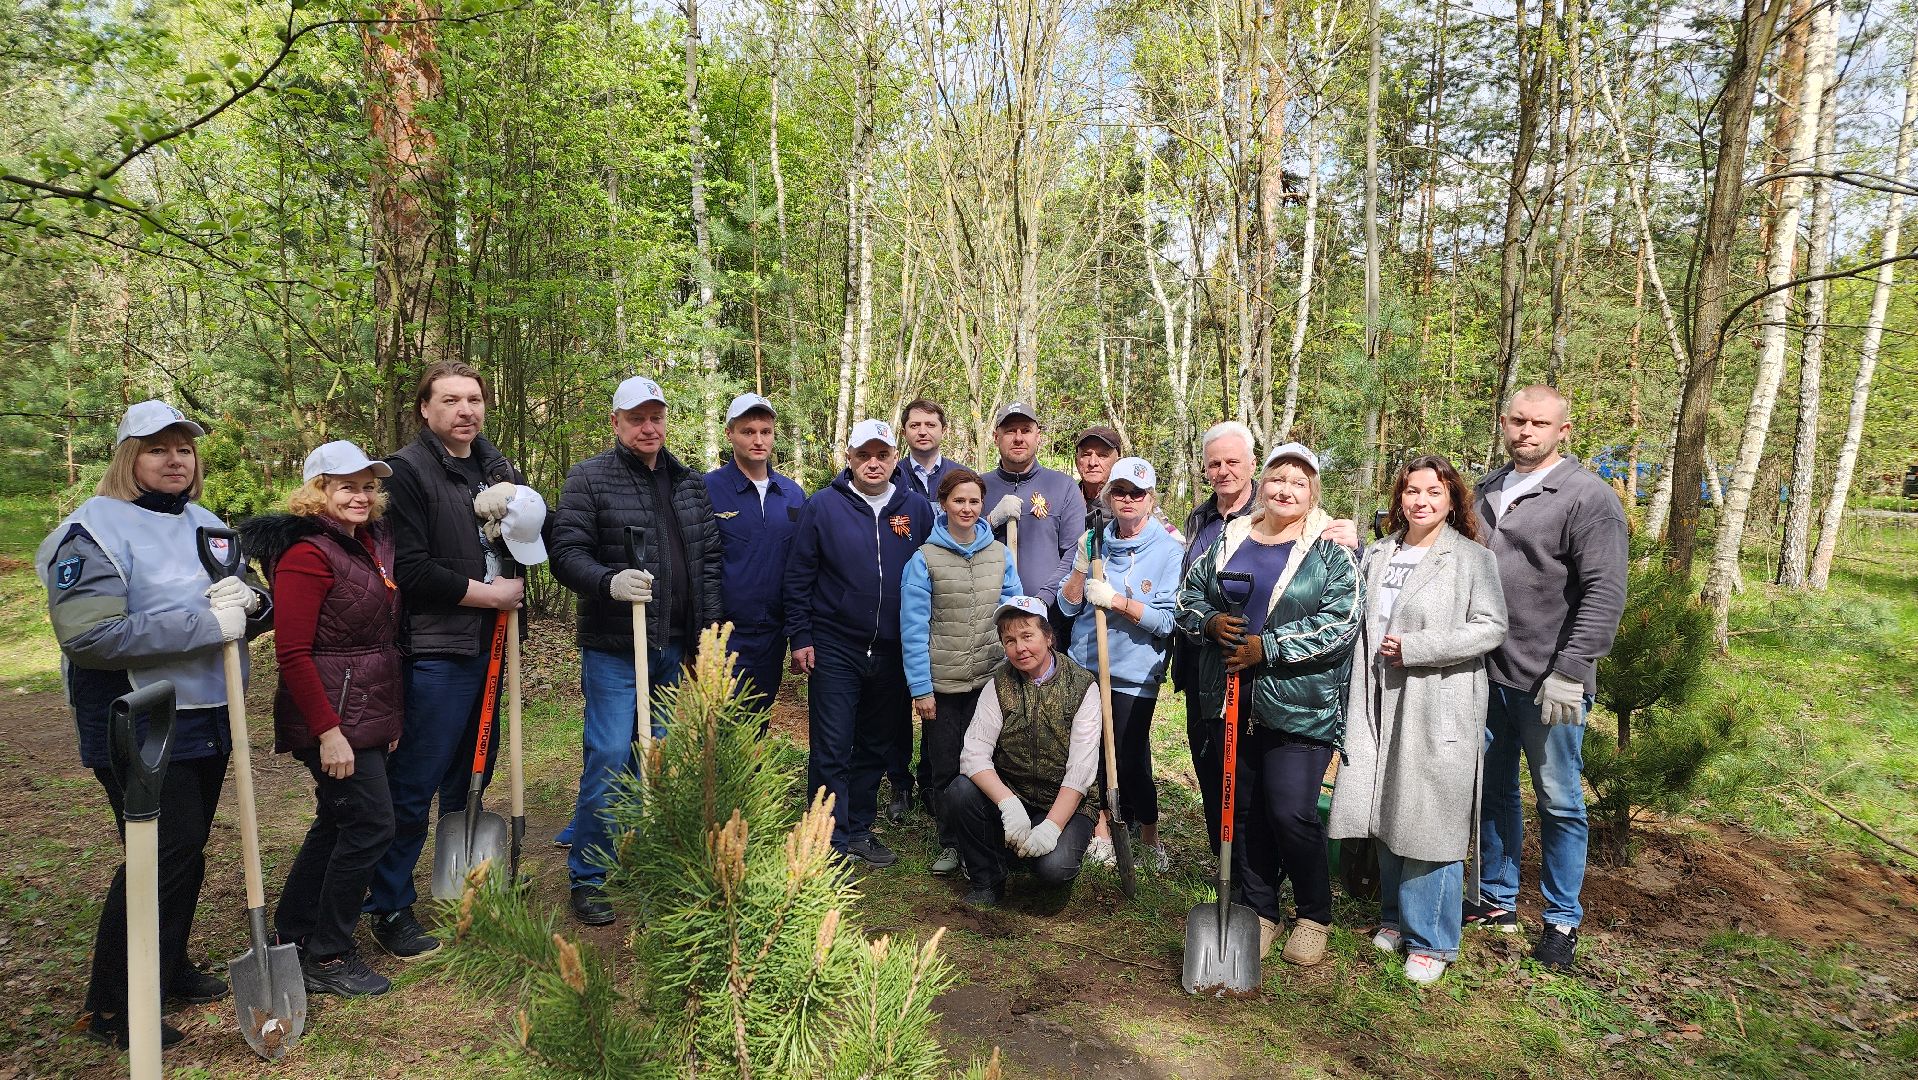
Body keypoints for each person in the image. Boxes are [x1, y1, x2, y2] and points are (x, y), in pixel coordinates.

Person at [36, 400, 272, 1048]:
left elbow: (245, 595)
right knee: (158, 853)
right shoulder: (90, 532)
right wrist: (206, 623)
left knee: (184, 853)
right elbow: (89, 635)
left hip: (209, 712)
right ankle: (113, 1005)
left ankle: (165, 968)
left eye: (184, 448)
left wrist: (255, 604)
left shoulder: (206, 523)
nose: (174, 458)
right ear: (127, 458)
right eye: (156, 447)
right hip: (135, 714)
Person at [366, 360, 538, 959]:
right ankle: (388, 905)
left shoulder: (495, 467)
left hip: (490, 644)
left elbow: (519, 543)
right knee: (416, 779)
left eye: (474, 399)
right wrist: (487, 594)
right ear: (425, 409)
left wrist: (512, 574)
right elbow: (409, 569)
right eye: (451, 400)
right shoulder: (407, 473)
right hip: (438, 647)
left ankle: (463, 876)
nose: (465, 410)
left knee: (473, 772)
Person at [1176, 442, 1359, 967]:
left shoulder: (1328, 551)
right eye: (1278, 478)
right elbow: (1189, 598)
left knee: (1292, 810)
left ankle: (1314, 913)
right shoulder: (1231, 538)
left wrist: (1269, 646)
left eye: (1299, 483)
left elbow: (1341, 623)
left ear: (1313, 492)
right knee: (1245, 808)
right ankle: (1261, 908)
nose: (1286, 489)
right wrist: (1209, 622)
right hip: (1231, 696)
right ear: (1263, 484)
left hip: (1300, 703)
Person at [1328, 455, 1507, 985]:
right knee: (1384, 802)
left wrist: (1419, 647)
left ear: (1452, 499)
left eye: (1433, 491)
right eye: (1411, 491)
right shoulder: (1379, 553)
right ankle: (1395, 916)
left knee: (1431, 814)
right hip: (1376, 694)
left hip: (1437, 697)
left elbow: (1491, 627)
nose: (1421, 501)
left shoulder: (1472, 559)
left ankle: (1431, 938)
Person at [550, 375, 723, 925]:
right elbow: (565, 553)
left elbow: (708, 567)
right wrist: (607, 582)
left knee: (663, 760)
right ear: (617, 423)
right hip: (616, 647)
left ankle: (653, 861)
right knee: (607, 755)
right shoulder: (589, 479)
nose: (649, 427)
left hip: (675, 648)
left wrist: (708, 639)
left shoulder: (690, 484)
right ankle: (590, 874)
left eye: (656, 417)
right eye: (637, 418)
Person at [1470, 385, 1628, 970]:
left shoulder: (1588, 498)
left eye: (1540, 423)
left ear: (1563, 430)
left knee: (1559, 800)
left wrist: (1572, 670)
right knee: (1493, 791)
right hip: (1484, 675)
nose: (1527, 432)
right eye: (1518, 421)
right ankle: (1497, 898)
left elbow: (1605, 592)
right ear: (1504, 423)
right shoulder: (1486, 490)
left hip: (1549, 682)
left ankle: (1561, 920)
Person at [240, 441, 403, 997]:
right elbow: (293, 653)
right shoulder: (308, 554)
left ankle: (297, 930)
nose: (360, 495)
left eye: (366, 485)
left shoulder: (367, 544)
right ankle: (329, 955)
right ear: (317, 493)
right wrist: (328, 732)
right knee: (371, 824)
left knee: (338, 821)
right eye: (345, 486)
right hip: (331, 717)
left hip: (366, 708)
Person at [785, 419, 933, 867]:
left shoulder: (917, 508)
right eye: (863, 455)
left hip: (892, 649)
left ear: (894, 458)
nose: (873, 463)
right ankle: (828, 836)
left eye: (882, 455)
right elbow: (799, 574)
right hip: (834, 644)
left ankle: (860, 830)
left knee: (874, 744)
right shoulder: (824, 506)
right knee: (832, 745)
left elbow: (936, 567)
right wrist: (801, 635)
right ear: (848, 458)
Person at [1057, 457, 1184, 871]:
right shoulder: (1093, 539)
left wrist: (1117, 601)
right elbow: (1067, 604)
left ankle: (1149, 835)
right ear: (1108, 496)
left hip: (1133, 672)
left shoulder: (1169, 549)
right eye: (1120, 492)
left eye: (1137, 493)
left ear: (1150, 498)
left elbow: (1166, 621)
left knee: (1129, 756)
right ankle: (1102, 829)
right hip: (1086, 664)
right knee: (1090, 751)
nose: (1127, 499)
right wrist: (1080, 570)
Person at [899, 468, 1021, 875]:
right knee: (947, 765)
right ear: (944, 504)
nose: (967, 508)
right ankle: (951, 842)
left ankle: (986, 840)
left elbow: (1014, 613)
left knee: (988, 761)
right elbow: (913, 629)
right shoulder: (924, 560)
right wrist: (921, 688)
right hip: (944, 683)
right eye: (959, 501)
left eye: (974, 501)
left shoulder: (999, 555)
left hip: (990, 680)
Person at [944, 596, 1103, 907]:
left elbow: (1081, 770)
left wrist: (1053, 826)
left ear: (1048, 636)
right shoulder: (999, 684)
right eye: (1010, 640)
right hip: (1013, 794)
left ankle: (1024, 852)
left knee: (1054, 868)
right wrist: (1008, 803)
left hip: (1062, 801)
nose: (1019, 648)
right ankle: (987, 879)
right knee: (960, 791)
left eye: (1027, 636)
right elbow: (973, 754)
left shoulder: (1082, 686)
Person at [1172, 421, 1258, 853]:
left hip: (1249, 670)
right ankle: (1223, 861)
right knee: (1209, 767)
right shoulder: (1200, 518)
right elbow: (1186, 591)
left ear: (1251, 464)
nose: (1223, 471)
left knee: (1245, 776)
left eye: (1232, 461)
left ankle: (1255, 875)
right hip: (1198, 665)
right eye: (1214, 464)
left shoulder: (1272, 512)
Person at [705, 392, 806, 716]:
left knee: (757, 717)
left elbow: (802, 567)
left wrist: (797, 631)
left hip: (772, 635)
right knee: (721, 725)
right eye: (748, 431)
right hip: (723, 636)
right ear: (730, 434)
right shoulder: (707, 489)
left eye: (765, 431)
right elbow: (697, 562)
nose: (758, 439)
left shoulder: (791, 494)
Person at [980, 402, 1085, 609]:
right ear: (995, 438)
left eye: (1026, 431)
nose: (1018, 438)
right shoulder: (977, 488)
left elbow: (1073, 552)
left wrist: (1044, 599)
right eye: (1010, 431)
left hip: (1046, 615)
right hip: (988, 614)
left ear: (1038, 437)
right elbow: (961, 543)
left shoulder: (1062, 486)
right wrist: (989, 522)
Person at [894, 398, 969, 500]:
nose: (922, 432)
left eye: (930, 425)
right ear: (904, 433)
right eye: (914, 425)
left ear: (943, 431)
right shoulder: (892, 476)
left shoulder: (965, 477)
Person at [1073, 426, 1123, 537]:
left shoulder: (1131, 499)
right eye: (1086, 455)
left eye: (1102, 455)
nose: (1092, 462)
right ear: (1077, 461)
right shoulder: (1066, 497)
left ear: (1117, 462)